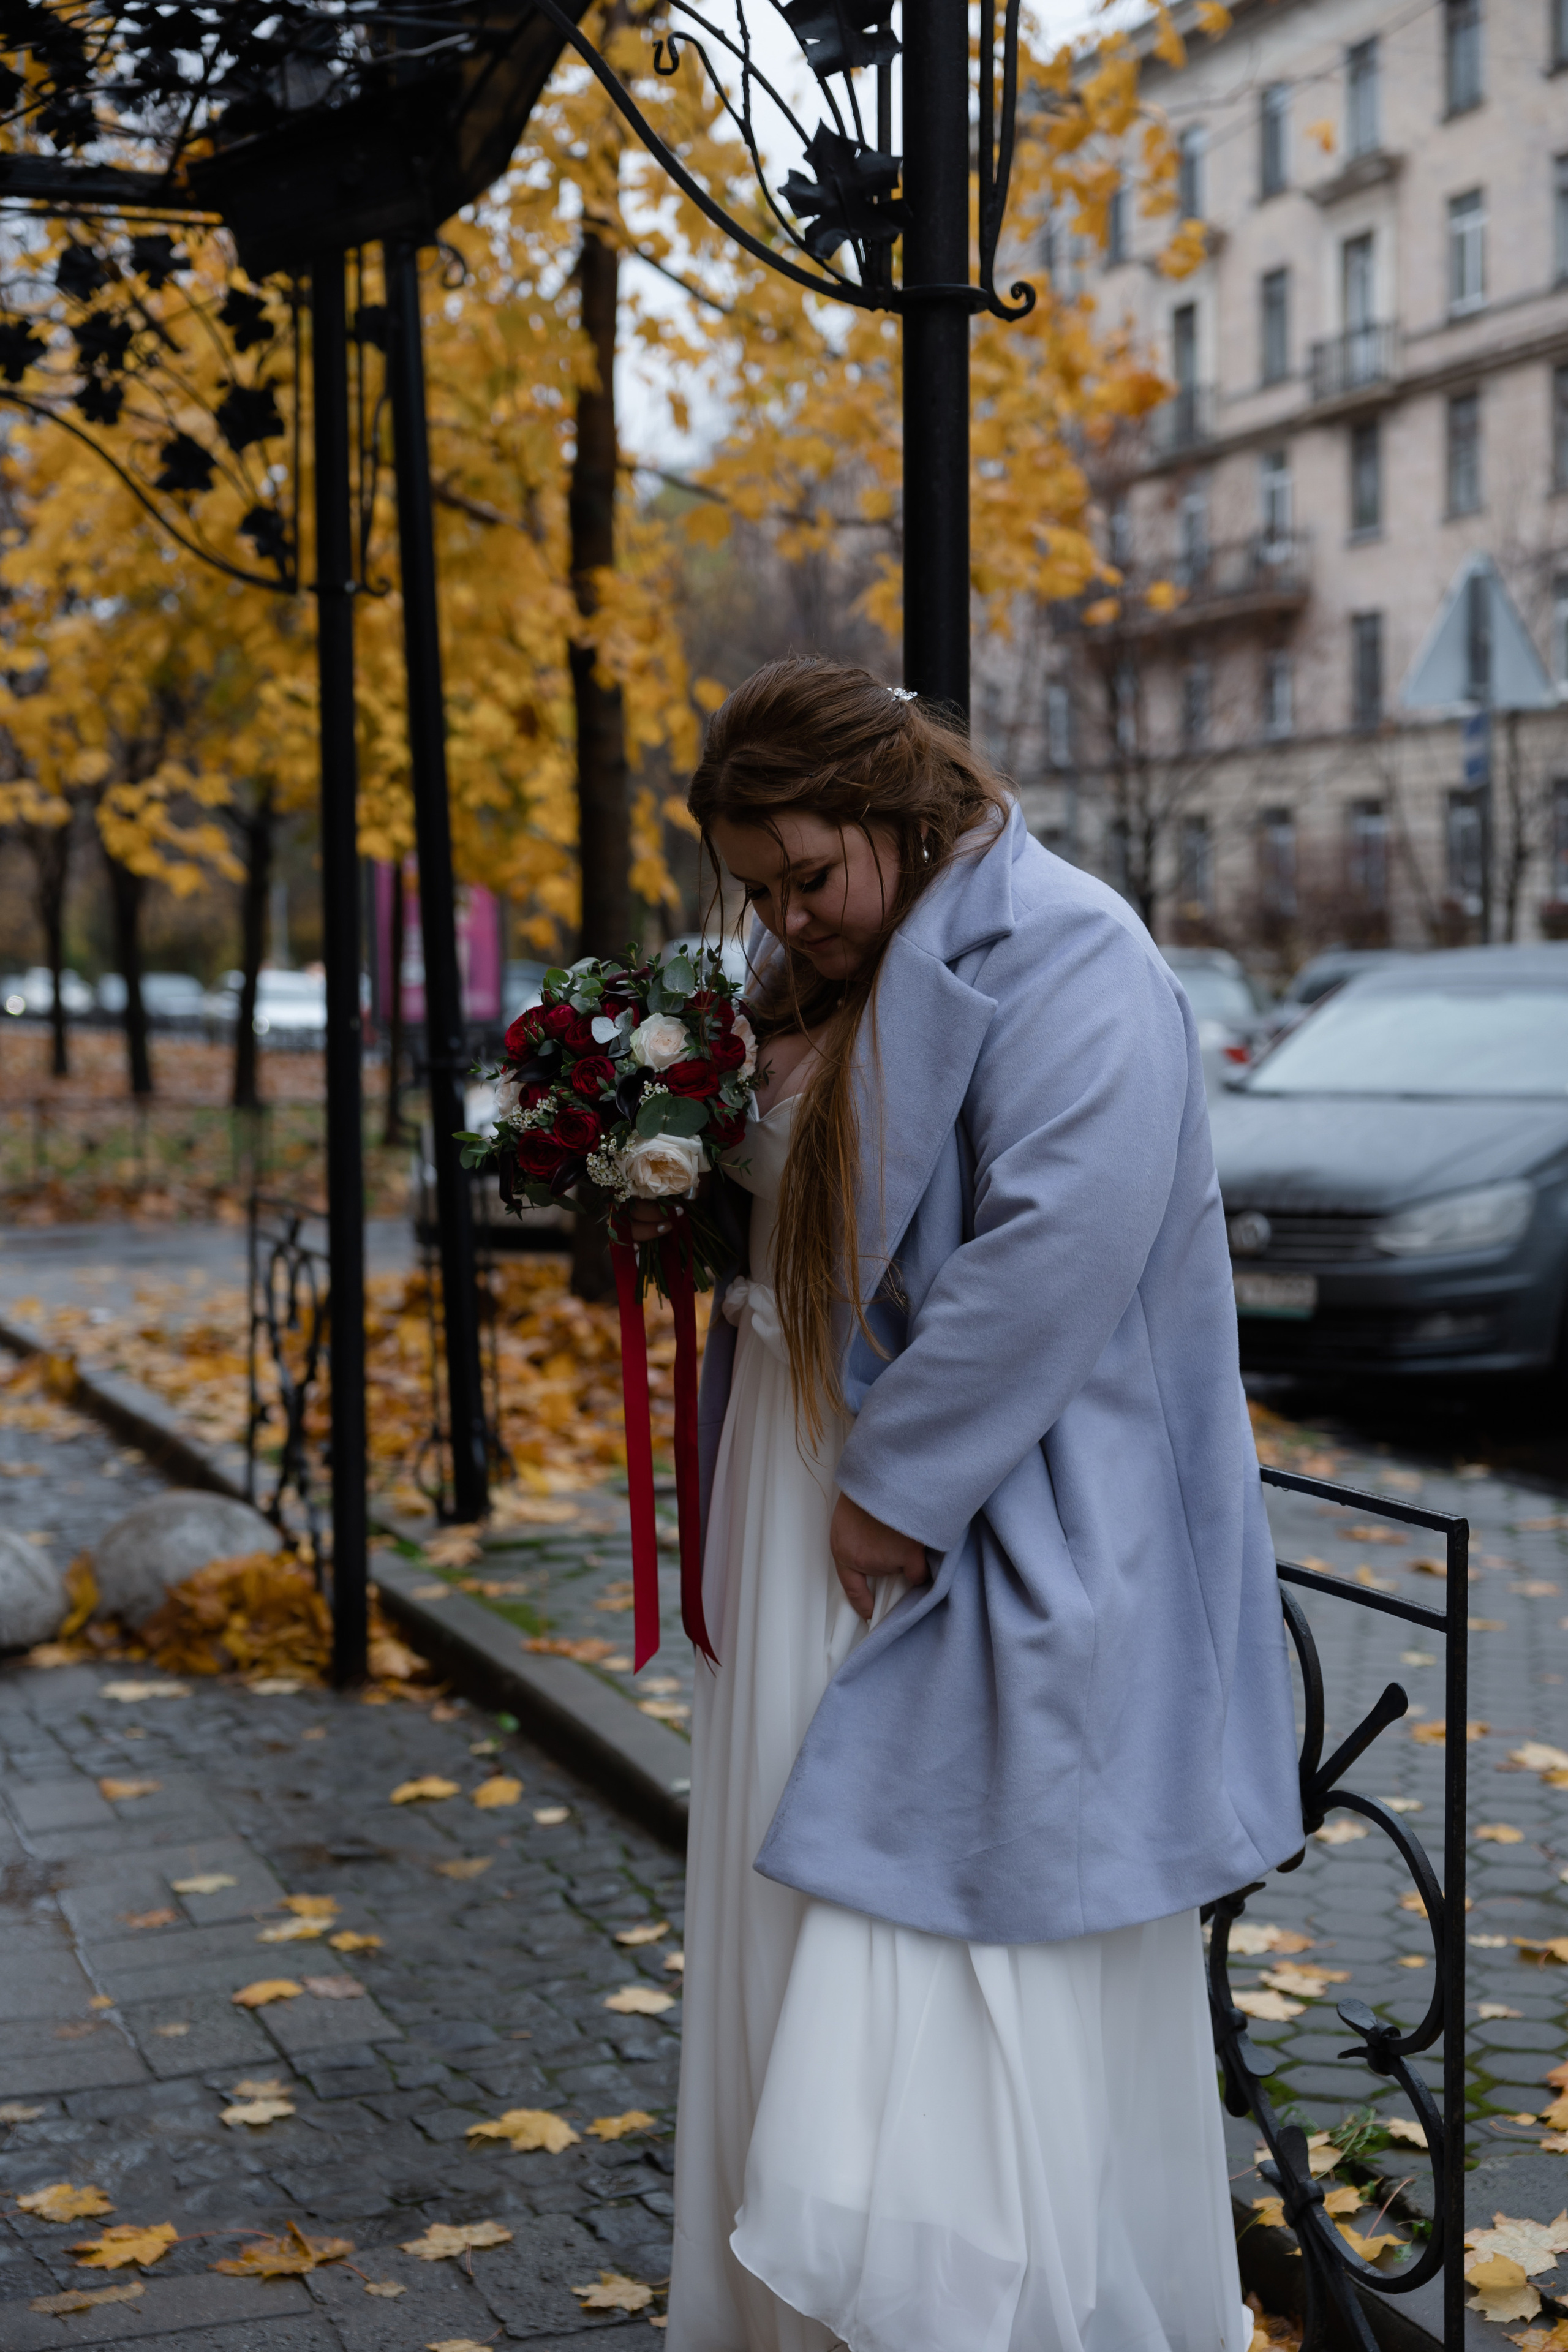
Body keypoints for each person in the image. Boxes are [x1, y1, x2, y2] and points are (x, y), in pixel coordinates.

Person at [647, 658, 1303, 2352]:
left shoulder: (1070, 950)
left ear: (893, 807)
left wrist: (895, 1495)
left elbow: (1055, 1250)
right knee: (804, 1896)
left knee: (940, 1927)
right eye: (760, 885)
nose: (789, 913)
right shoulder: (793, 966)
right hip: (790, 1493)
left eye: (811, 871)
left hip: (964, 1507)